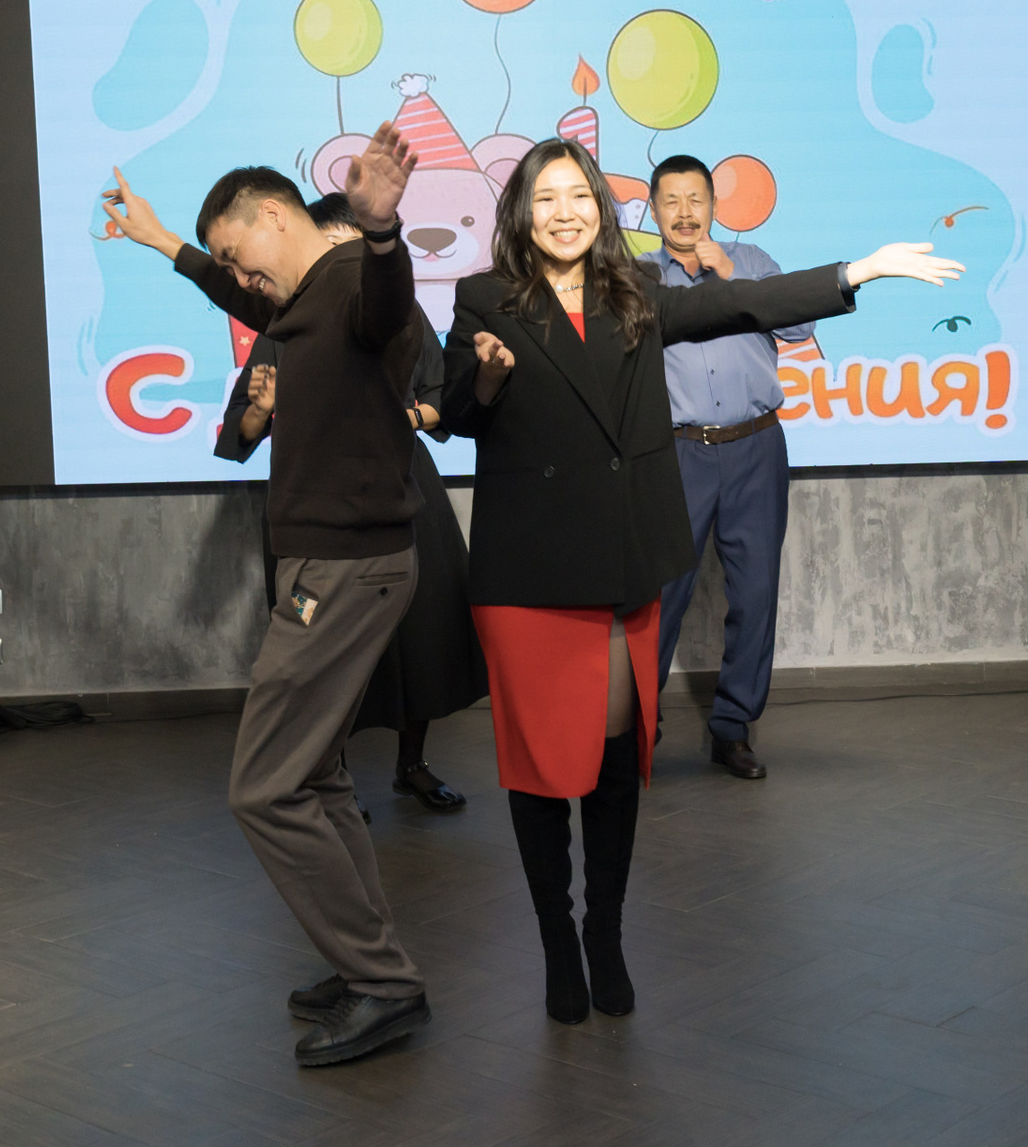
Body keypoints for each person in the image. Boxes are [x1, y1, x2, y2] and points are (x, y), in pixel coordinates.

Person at [439, 139, 961, 1024]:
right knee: (538, 769)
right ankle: (557, 941)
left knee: (613, 761)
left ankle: (604, 933)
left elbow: (740, 301)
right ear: (521, 213)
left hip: (618, 562)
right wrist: (485, 376)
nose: (565, 212)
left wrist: (857, 272)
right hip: (527, 573)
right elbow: (454, 414)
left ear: (602, 210)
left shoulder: (635, 295)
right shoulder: (485, 298)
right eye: (546, 197)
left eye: (580, 196)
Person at [100, 124, 433, 1067]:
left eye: (240, 254)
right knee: (315, 776)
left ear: (277, 216)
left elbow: (388, 307)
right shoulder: (302, 300)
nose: (241, 278)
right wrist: (165, 243)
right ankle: (362, 961)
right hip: (328, 566)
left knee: (263, 787)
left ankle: (383, 983)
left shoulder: (355, 283)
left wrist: (382, 229)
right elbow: (242, 292)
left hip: (345, 571)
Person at [216, 192, 486, 816]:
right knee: (323, 659)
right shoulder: (284, 321)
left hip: (400, 486)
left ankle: (412, 765)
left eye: (352, 250)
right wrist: (263, 410)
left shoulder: (396, 310)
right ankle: (329, 777)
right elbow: (240, 431)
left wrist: (400, 416)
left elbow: (443, 400)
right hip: (313, 500)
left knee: (424, 634)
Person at [642, 154, 813, 780]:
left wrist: (730, 274)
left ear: (715, 206)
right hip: (678, 452)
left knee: (756, 591)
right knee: (660, 596)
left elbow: (801, 326)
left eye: (696, 199)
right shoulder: (640, 277)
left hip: (756, 447)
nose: (685, 213)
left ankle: (733, 729)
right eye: (671, 200)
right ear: (653, 210)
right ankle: (639, 726)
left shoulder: (754, 261)